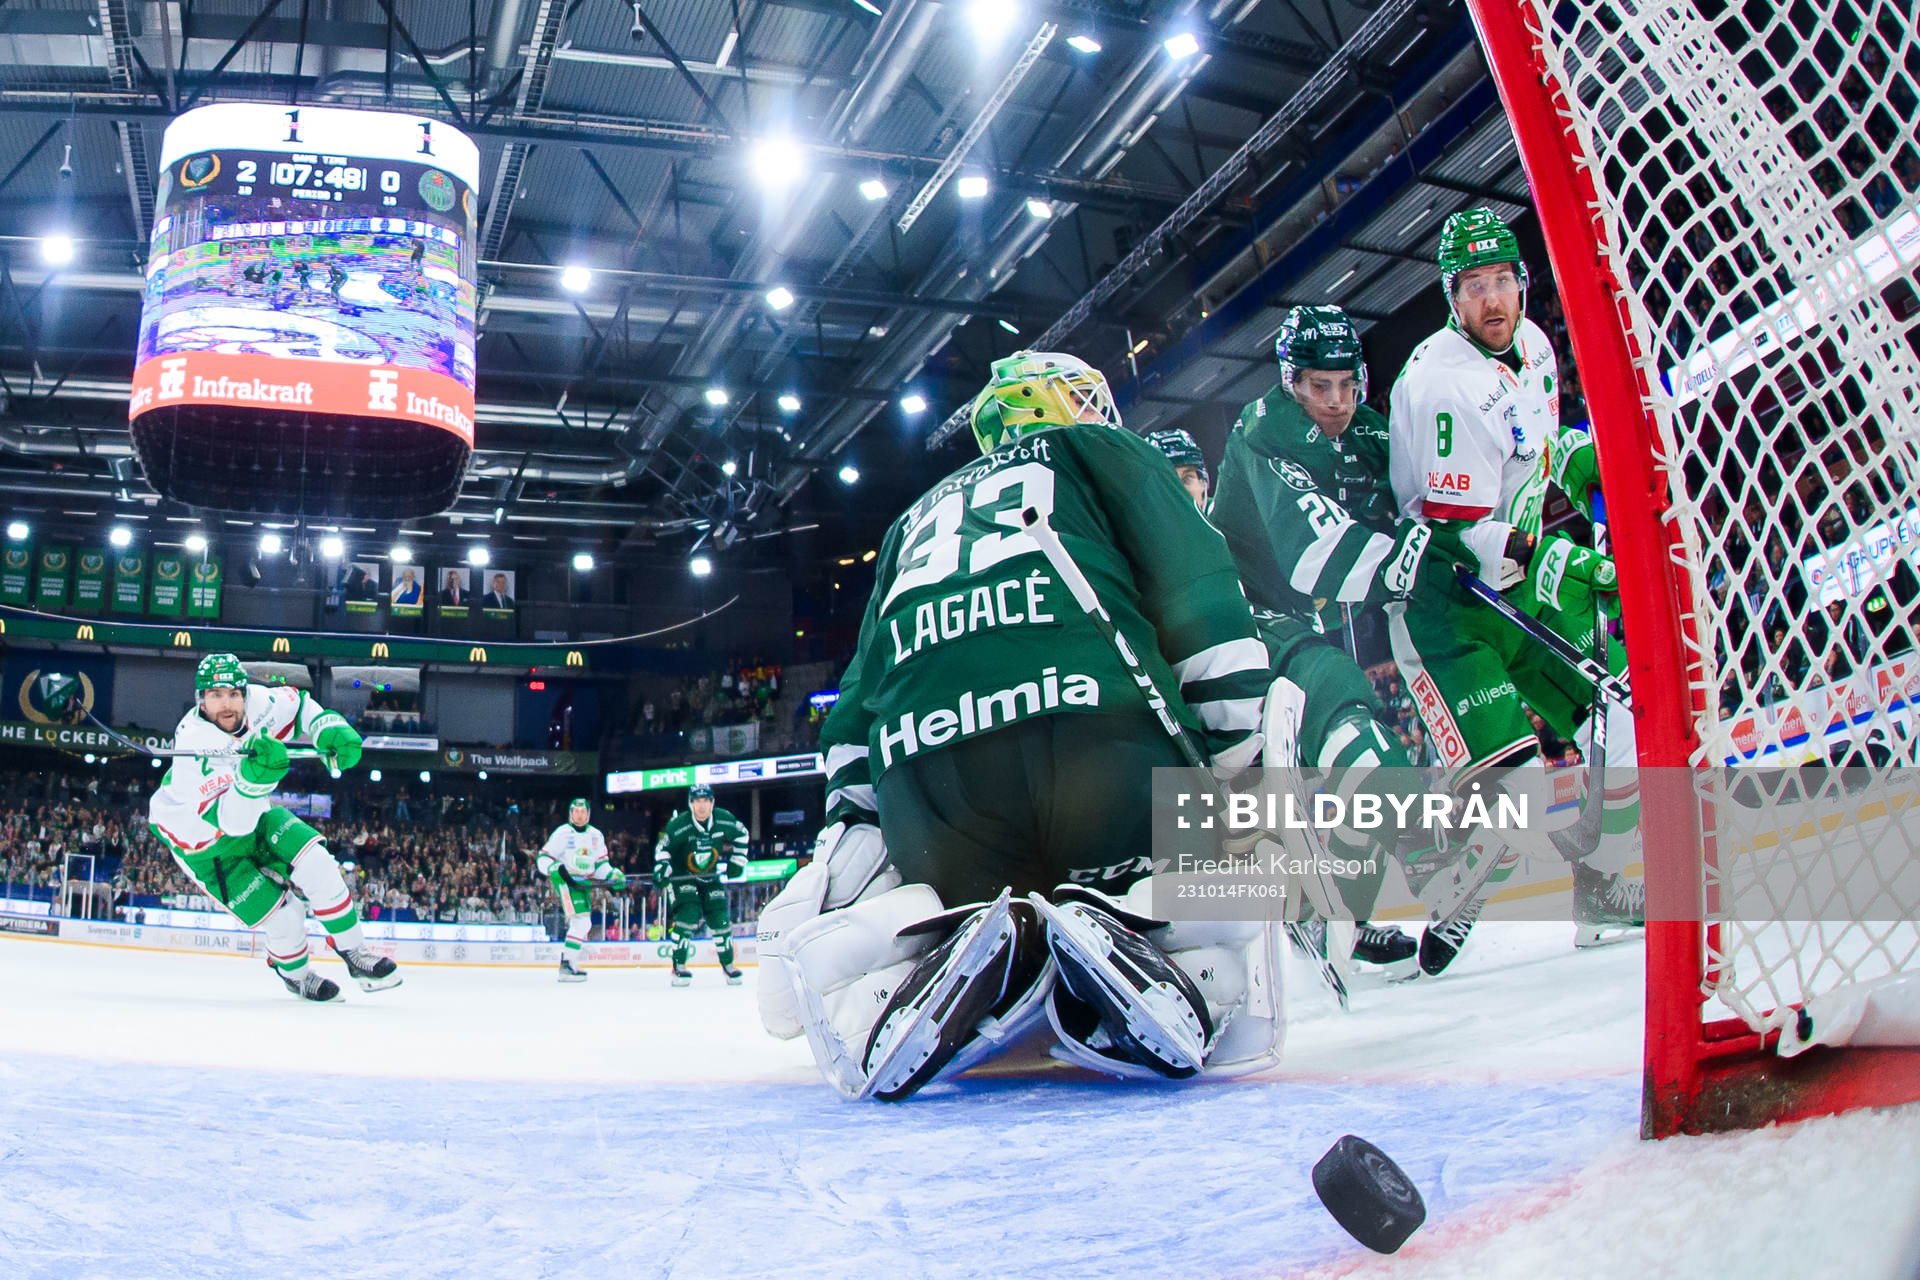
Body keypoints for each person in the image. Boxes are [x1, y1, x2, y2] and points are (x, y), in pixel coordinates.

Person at [755, 350, 1285, 1101]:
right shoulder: (1104, 451)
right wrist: (1236, 774)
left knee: (975, 899)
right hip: (1097, 757)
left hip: (935, 808)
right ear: (1048, 405)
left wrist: (859, 836)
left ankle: (902, 960)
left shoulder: (909, 520)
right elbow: (1200, 596)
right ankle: (1163, 949)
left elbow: (852, 713)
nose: (1103, 416)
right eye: (1084, 398)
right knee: (1195, 849)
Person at [1386, 207, 1642, 952]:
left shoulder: (1531, 344)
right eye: (1474, 287)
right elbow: (1466, 539)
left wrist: (1574, 457)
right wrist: (1566, 561)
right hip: (1448, 599)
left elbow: (1529, 452)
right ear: (1450, 296)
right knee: (1511, 789)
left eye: (1504, 280)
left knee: (1617, 710)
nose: (1493, 300)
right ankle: (1444, 876)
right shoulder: (1441, 387)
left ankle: (1601, 883)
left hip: (1509, 583)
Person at [1159, 394, 1434, 976]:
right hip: (1186, 749)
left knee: (1376, 766)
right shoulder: (1133, 571)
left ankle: (1345, 920)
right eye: (1167, 481)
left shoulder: (1234, 535)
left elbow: (1310, 565)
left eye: (1190, 478)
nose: (1183, 492)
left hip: (1276, 681)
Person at [145, 653, 395, 1002]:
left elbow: (301, 705)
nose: (227, 704)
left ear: (244, 692)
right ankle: (296, 976)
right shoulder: (194, 746)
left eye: (233, 693)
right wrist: (254, 781)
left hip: (254, 814)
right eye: (215, 695)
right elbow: (233, 822)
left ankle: (355, 953)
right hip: (205, 845)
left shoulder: (260, 702)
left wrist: (326, 727)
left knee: (318, 864)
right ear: (202, 700)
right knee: (285, 917)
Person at [652, 784, 747, 987]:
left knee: (720, 919)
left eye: (705, 801)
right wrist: (662, 868)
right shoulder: (679, 825)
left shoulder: (723, 819)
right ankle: (678, 966)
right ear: (691, 803)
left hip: (710, 877)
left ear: (712, 802)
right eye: (697, 801)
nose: (701, 806)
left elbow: (742, 834)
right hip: (681, 877)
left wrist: (738, 861)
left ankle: (729, 965)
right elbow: (663, 848)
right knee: (688, 915)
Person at [533, 798, 624, 982]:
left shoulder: (596, 835)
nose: (580, 815)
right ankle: (566, 964)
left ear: (588, 814)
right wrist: (553, 869)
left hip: (585, 883)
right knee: (581, 923)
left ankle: (570, 963)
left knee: (584, 923)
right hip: (568, 881)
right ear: (571, 813)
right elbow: (543, 858)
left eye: (583, 811)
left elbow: (600, 865)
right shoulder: (562, 833)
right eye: (576, 811)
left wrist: (612, 874)